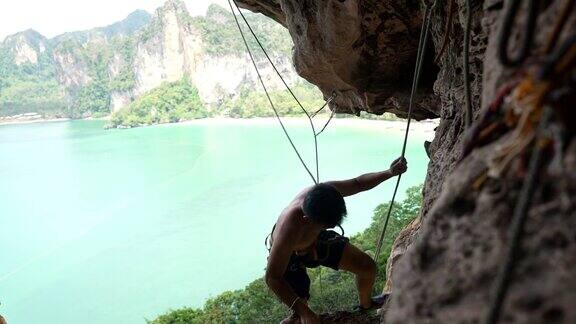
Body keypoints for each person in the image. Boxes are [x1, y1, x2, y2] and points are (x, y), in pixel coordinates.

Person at [265, 157, 408, 324]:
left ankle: (366, 304)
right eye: (325, 225)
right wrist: (305, 312)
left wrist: (389, 172)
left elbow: (357, 183)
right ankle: (299, 315)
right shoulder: (288, 230)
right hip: (290, 253)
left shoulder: (325, 193)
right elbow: (273, 277)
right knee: (300, 308)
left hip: (315, 239)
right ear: (306, 219)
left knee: (367, 267)